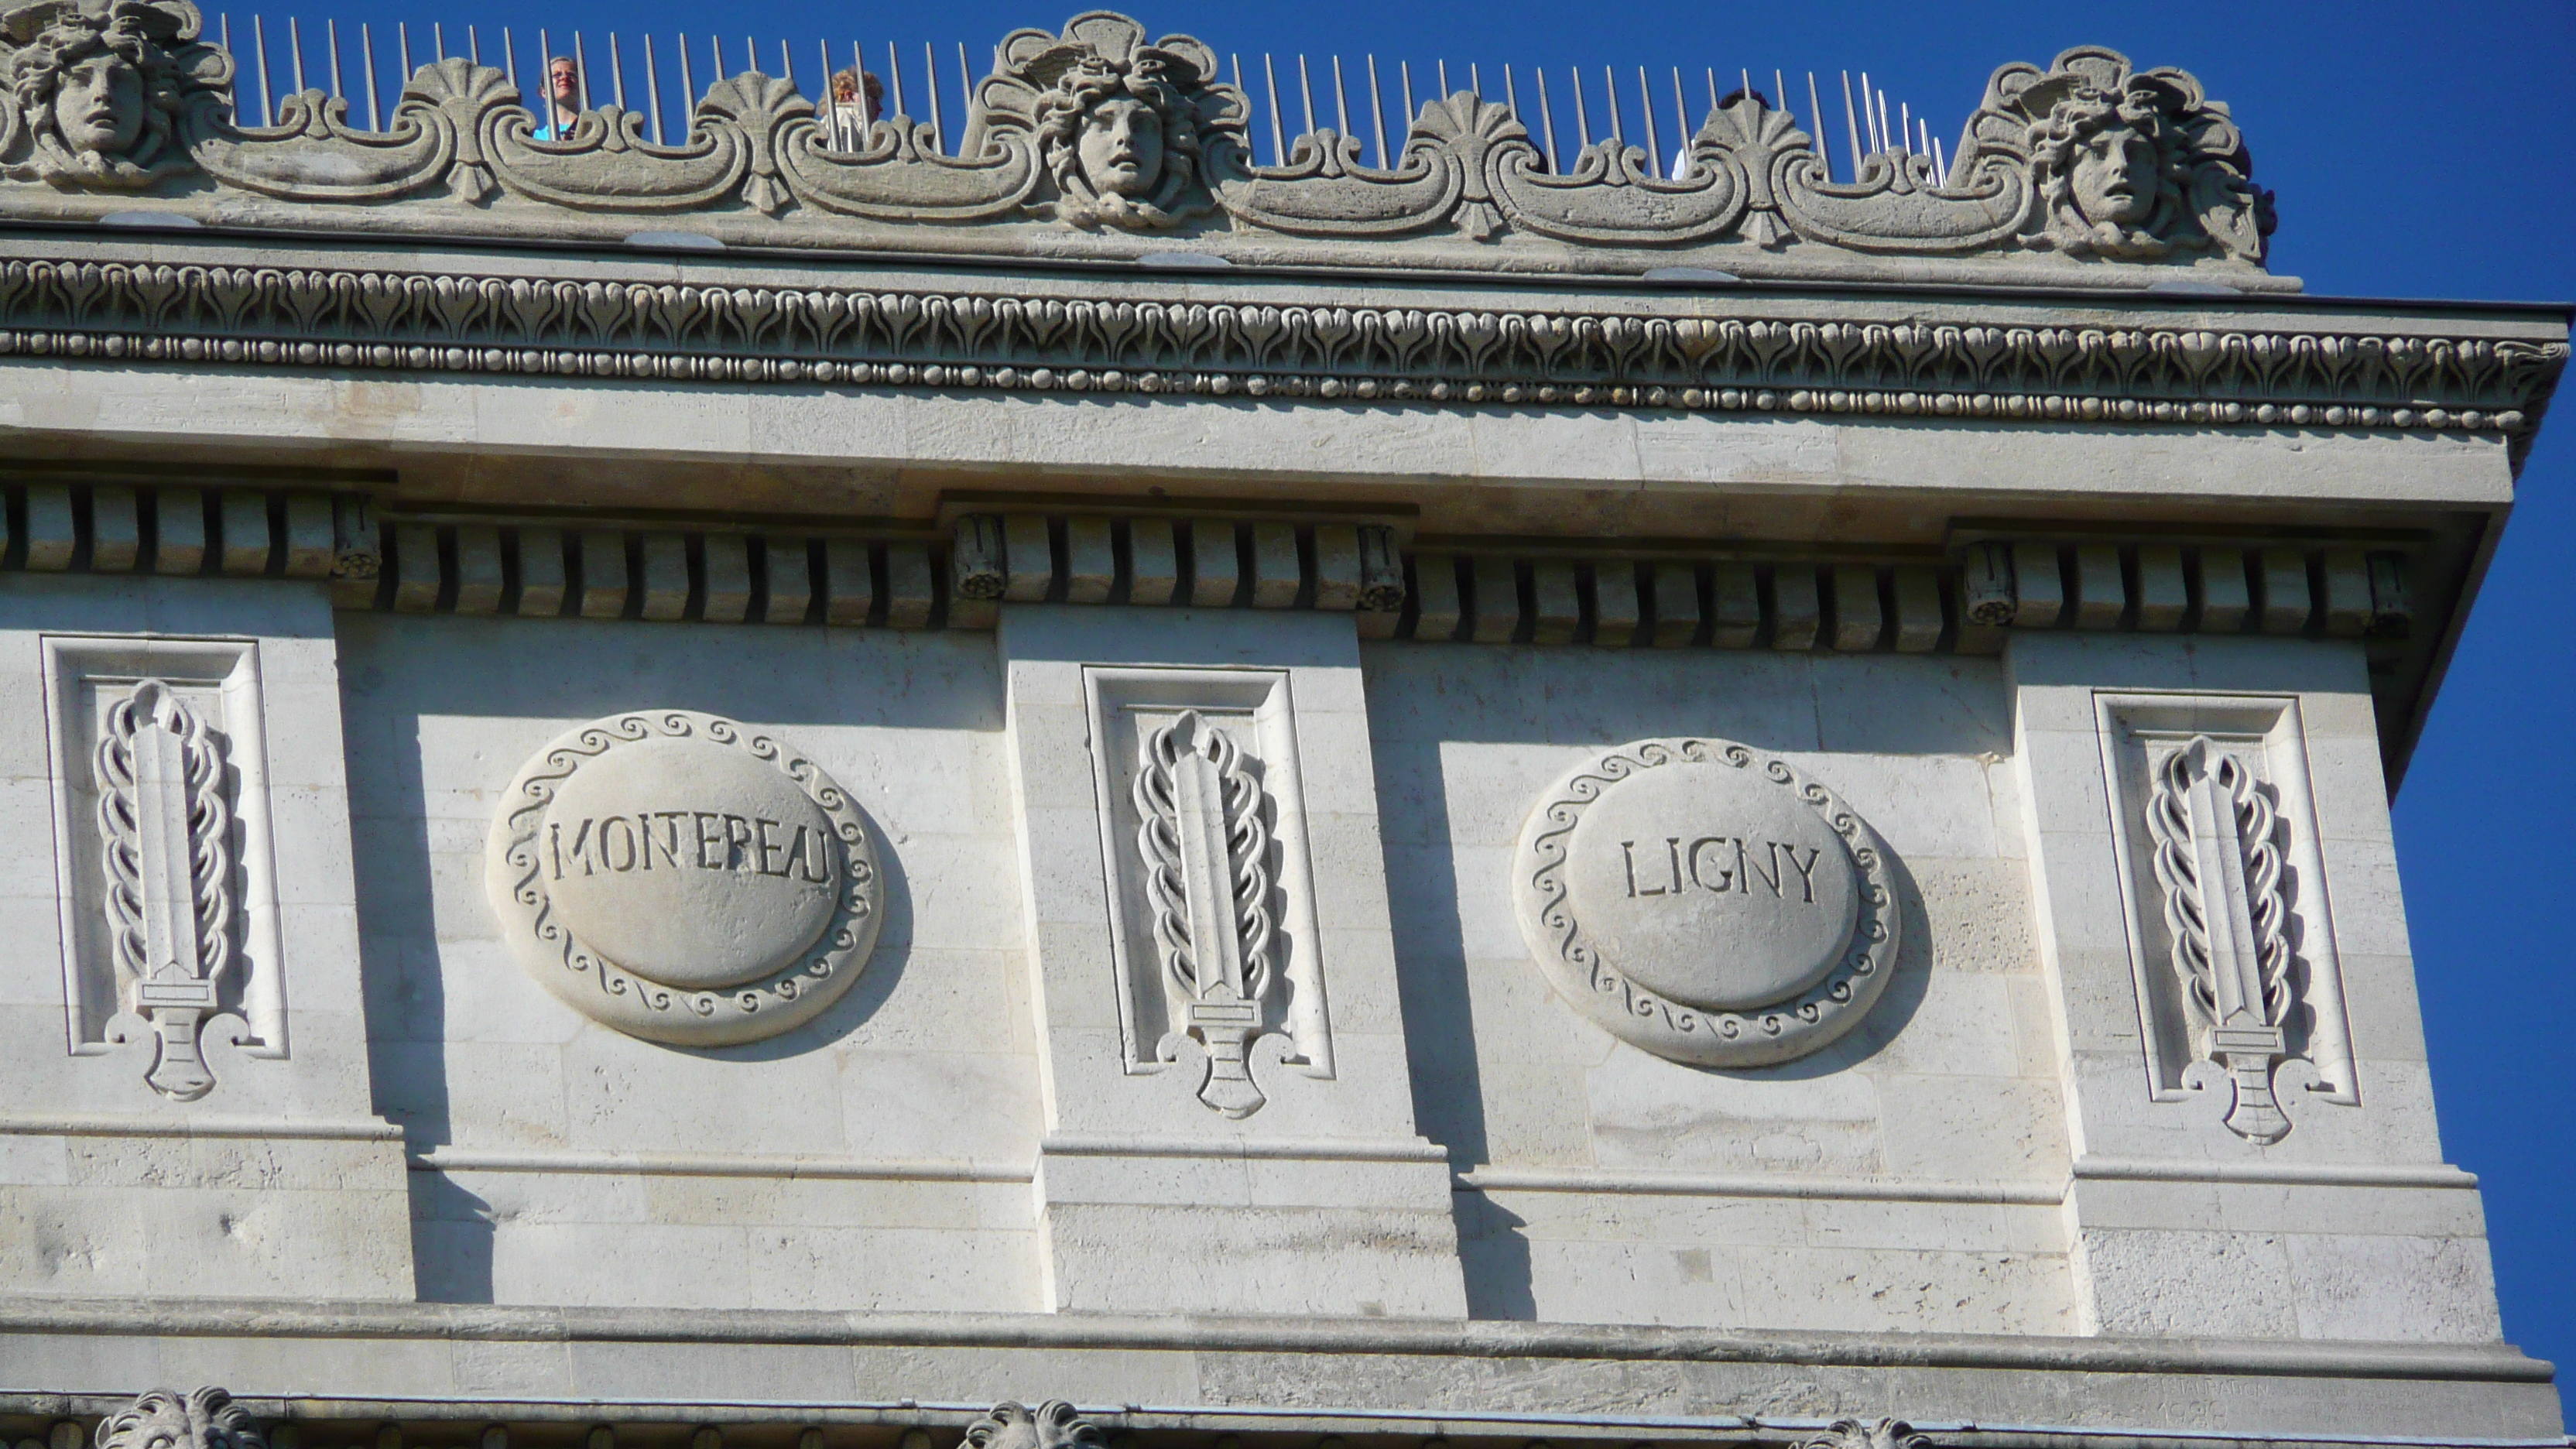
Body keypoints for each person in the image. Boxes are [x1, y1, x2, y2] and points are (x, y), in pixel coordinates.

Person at [824, 67, 882, 150]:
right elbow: (845, 158)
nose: (880, 108)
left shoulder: (858, 124)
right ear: (850, 96)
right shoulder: (843, 116)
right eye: (874, 99)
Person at [530, 54, 580, 141]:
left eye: (571, 75)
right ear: (544, 92)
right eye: (557, 75)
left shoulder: (596, 128)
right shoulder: (536, 138)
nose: (564, 77)